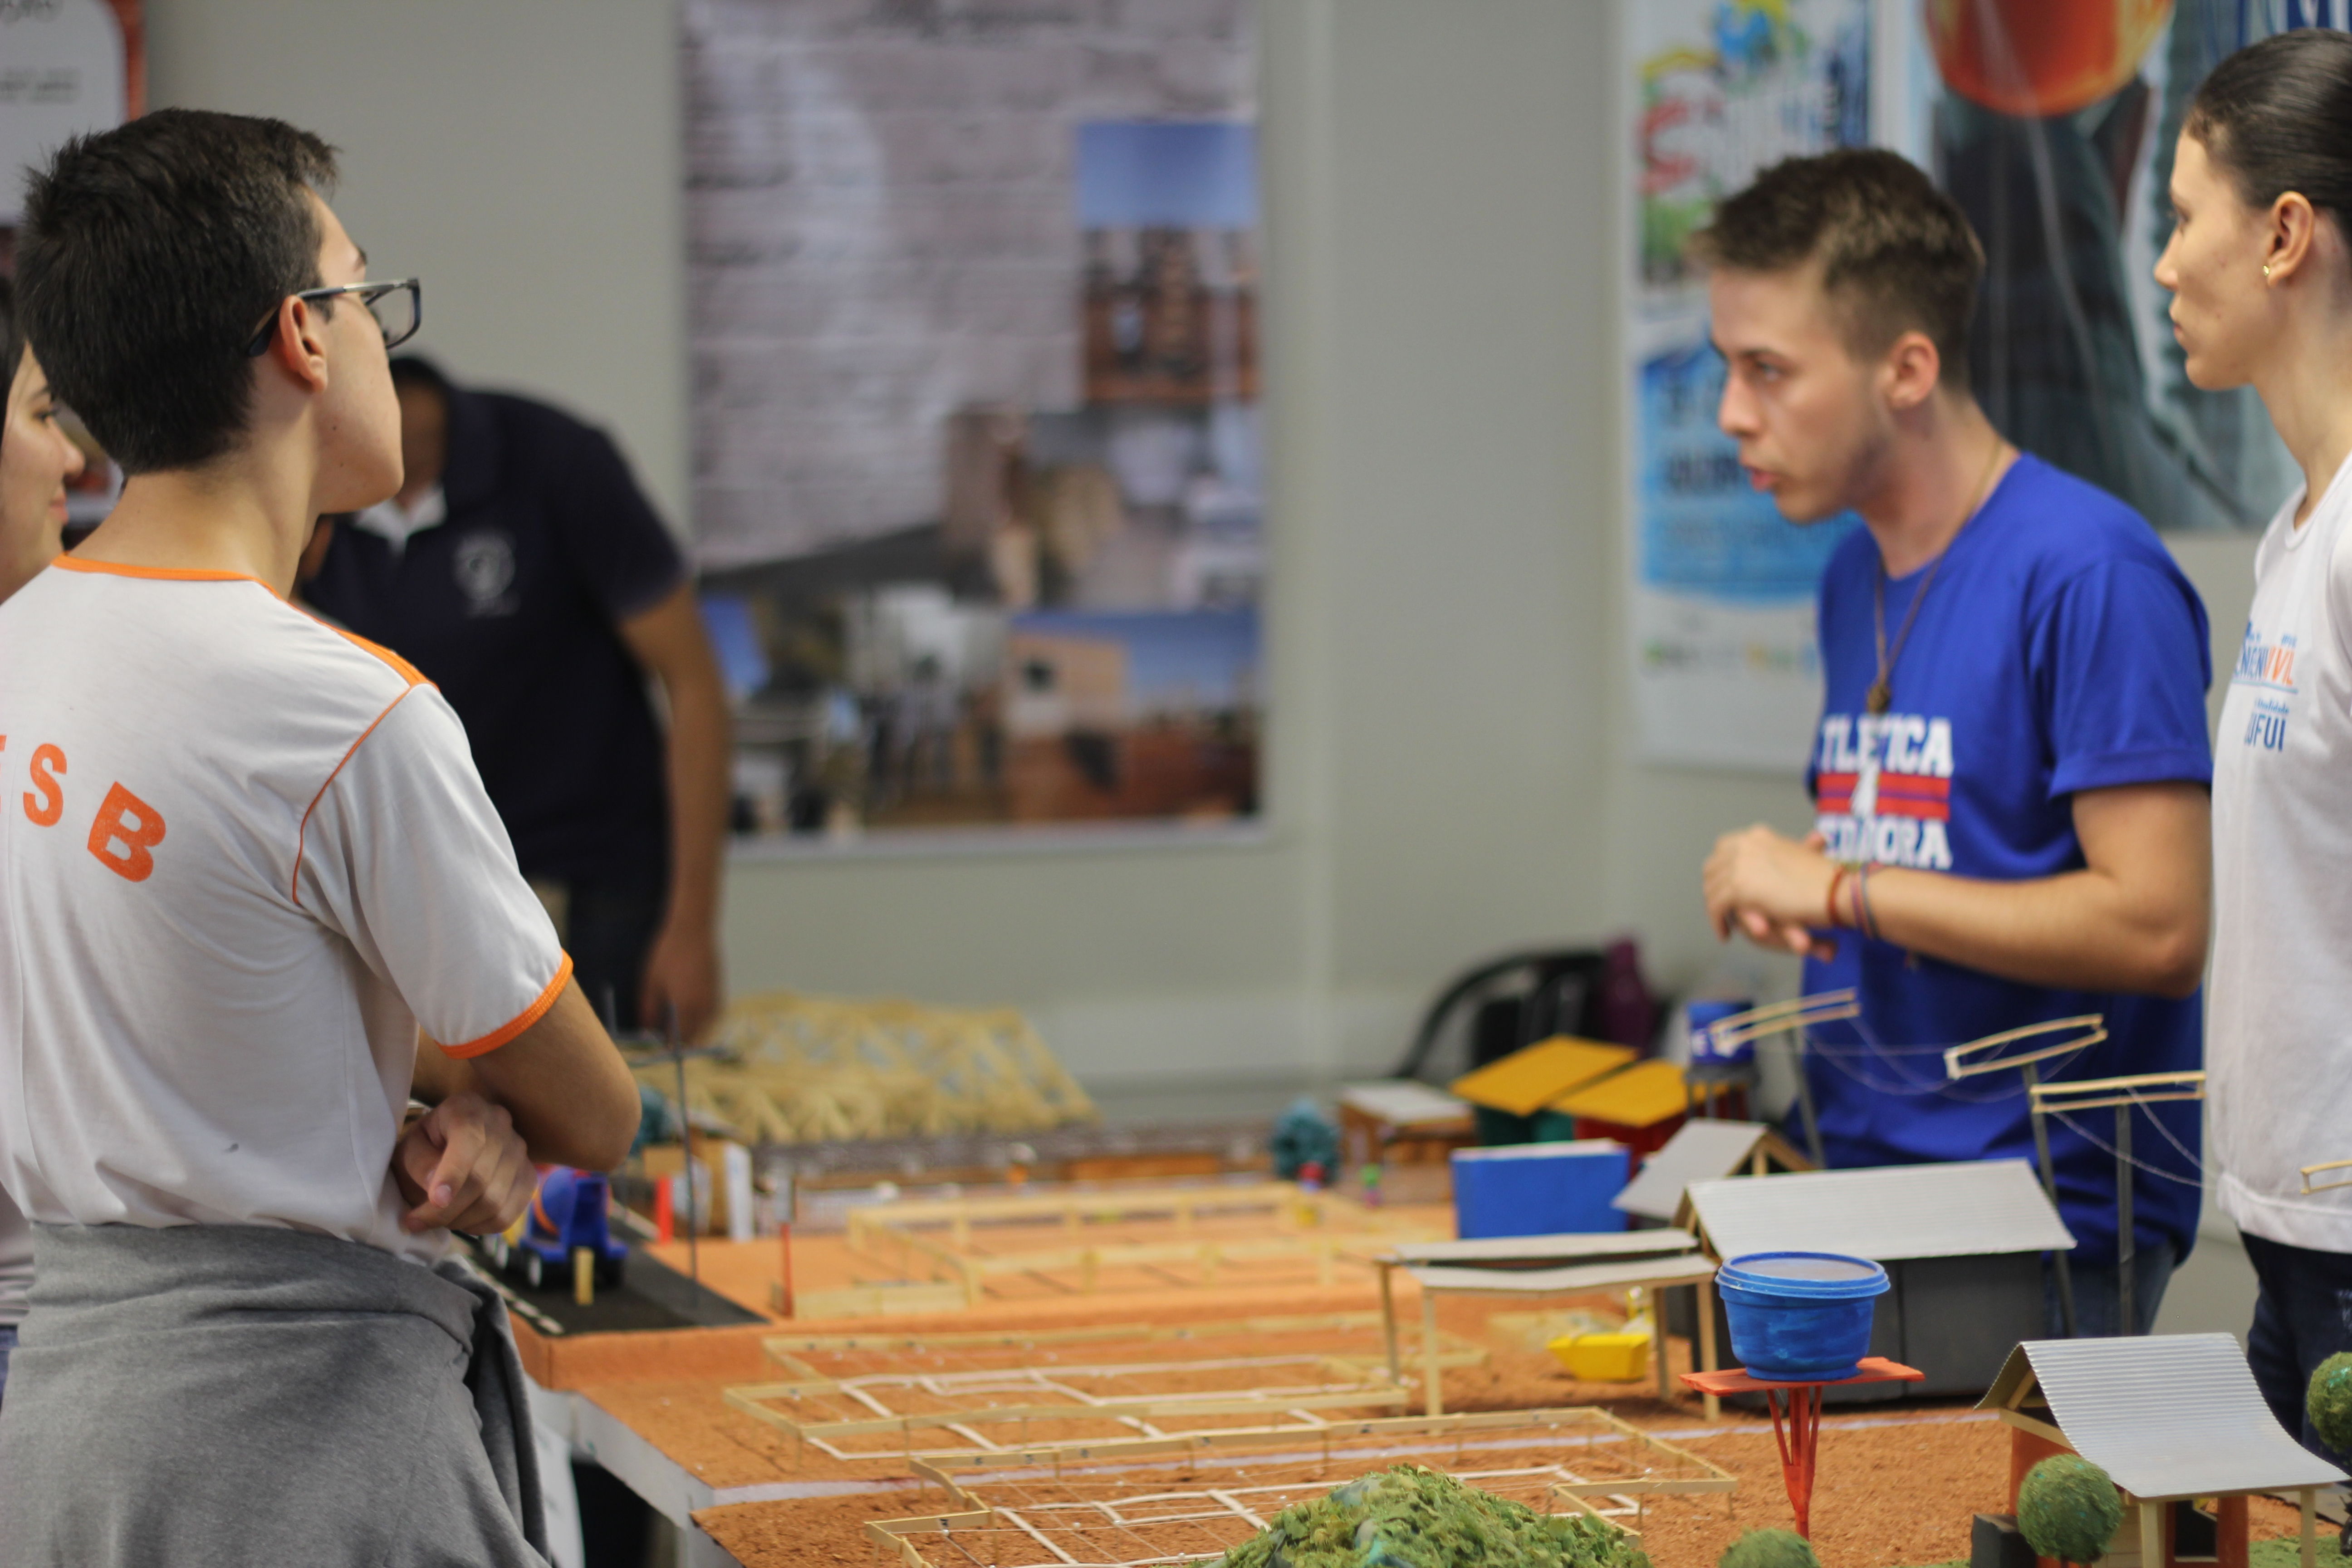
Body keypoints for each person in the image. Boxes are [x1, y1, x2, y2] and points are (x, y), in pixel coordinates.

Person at [0, 108, 639, 1564]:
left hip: (74, 1421)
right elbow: (598, 1113)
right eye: (365, 296)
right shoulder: (340, 714)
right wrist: (480, 1102)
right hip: (301, 1444)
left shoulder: (20, 650)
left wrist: (413, 1101)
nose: (377, 341)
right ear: (300, 333)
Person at [0, 278, 545, 1416]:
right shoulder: (319, 705)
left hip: (133, 1367)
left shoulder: (99, 689)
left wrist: (401, 1120)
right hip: (132, 1365)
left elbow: (197, 1012)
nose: (72, 468)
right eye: (45, 418)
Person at [1698, 148, 2215, 1337]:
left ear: (1908, 371)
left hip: (2041, 1224)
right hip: (1868, 1189)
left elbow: (2158, 926)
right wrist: (1820, 887)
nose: (1733, 413)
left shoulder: (2089, 572)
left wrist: (1842, 886)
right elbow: (1956, 840)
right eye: (1730, 369)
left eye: (1768, 371)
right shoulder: (1849, 571)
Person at [302, 356, 732, 1042]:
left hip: (595, 888)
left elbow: (695, 686)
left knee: (609, 1122)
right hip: (429, 893)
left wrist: (691, 928)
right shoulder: (316, 496)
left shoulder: (555, 461)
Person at [2157, 27, 2352, 1462]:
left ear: (2285, 234)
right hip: (2296, 1242)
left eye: (2184, 217)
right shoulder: (2300, 535)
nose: (2164, 265)